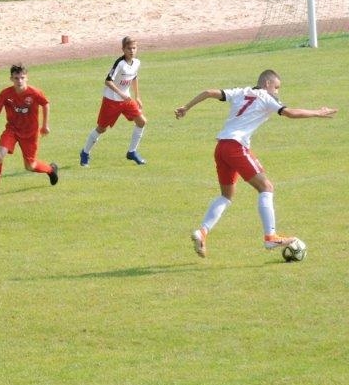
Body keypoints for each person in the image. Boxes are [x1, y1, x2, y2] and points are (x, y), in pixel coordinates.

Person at [175, 69, 337, 258]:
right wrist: (317, 112)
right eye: (276, 87)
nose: (277, 92)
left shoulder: (240, 91)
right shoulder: (266, 97)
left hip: (221, 147)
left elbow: (209, 92)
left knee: (226, 195)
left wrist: (186, 107)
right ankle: (271, 236)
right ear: (267, 84)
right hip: (236, 147)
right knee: (266, 187)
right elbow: (290, 113)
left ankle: (202, 232)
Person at [0, 63, 59, 196]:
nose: (19, 81)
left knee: (30, 166)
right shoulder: (5, 94)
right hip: (12, 130)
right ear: (11, 79)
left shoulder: (34, 93)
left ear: (27, 78)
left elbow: (45, 104)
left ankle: (50, 169)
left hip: (30, 133)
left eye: (22, 77)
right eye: (16, 78)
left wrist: (45, 125)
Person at [79, 36, 148, 167]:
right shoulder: (120, 63)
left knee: (142, 121)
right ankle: (85, 153)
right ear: (123, 49)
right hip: (112, 100)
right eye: (129, 48)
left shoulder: (137, 63)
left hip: (126, 100)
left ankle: (132, 152)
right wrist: (121, 93)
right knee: (101, 128)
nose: (132, 51)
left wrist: (137, 96)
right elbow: (108, 81)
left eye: (134, 48)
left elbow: (134, 78)